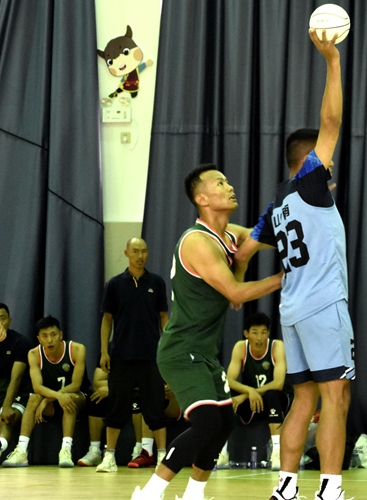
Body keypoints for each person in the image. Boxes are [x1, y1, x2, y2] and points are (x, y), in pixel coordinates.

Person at [238, 28, 352, 500]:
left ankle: (286, 488)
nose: (332, 165)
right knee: (335, 397)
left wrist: (235, 286)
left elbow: (243, 250)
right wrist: (332, 61)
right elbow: (331, 121)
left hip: (292, 310)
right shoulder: (309, 180)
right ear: (308, 160)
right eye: (325, 159)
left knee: (302, 397)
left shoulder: (277, 205)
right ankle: (330, 488)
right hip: (323, 306)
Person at [130, 164, 283, 500]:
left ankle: (194, 494)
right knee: (207, 423)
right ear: (202, 199)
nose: (230, 186)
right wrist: (284, 278)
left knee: (224, 422)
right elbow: (235, 292)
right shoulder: (197, 241)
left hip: (203, 352)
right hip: (181, 351)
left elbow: (262, 236)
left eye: (228, 181)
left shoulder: (229, 235)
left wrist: (303, 209)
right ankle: (150, 493)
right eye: (220, 183)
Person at [97, 237, 170, 473]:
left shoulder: (157, 283)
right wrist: (104, 351)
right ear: (127, 253)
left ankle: (162, 456)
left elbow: (163, 318)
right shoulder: (114, 284)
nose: (140, 256)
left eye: (144, 251)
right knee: (116, 408)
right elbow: (107, 320)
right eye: (136, 251)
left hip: (151, 358)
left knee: (155, 408)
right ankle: (109, 457)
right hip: (121, 356)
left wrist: (168, 349)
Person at [2, 316, 90, 468]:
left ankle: (66, 450)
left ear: (61, 335)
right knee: (33, 398)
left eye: (53, 335)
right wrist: (55, 397)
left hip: (77, 399)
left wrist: (49, 399)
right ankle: (21, 450)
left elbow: (76, 385)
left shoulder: (77, 349)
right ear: (39, 339)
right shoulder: (34, 354)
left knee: (68, 398)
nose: (49, 340)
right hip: (51, 402)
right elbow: (37, 387)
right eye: (45, 336)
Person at [222, 311, 293, 470]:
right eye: (255, 333)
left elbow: (278, 383)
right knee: (225, 395)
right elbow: (230, 380)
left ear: (268, 333)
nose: (260, 338)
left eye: (263, 332)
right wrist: (249, 392)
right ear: (246, 334)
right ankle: (221, 452)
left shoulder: (277, 346)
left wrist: (248, 394)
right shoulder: (240, 347)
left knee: (272, 395)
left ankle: (277, 452)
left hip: (279, 400)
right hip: (254, 401)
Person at [0, 304, 33, 459]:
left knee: (5, 420)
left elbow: (16, 378)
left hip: (17, 394)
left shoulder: (20, 342)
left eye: (2, 318)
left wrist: (7, 406)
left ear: (10, 321)